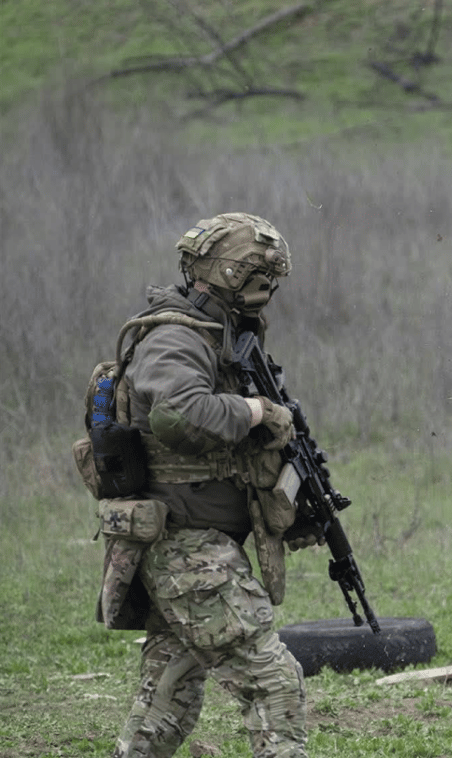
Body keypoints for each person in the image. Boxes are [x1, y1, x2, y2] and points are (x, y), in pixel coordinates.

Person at [106, 213, 308, 757]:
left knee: (165, 703)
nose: (267, 293)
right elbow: (180, 415)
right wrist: (256, 409)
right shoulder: (175, 337)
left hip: (195, 543)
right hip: (186, 548)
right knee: (273, 683)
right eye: (260, 279)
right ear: (229, 275)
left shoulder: (222, 337)